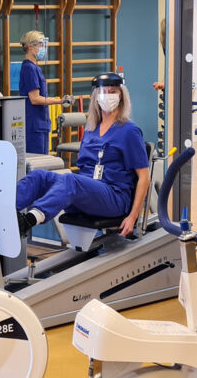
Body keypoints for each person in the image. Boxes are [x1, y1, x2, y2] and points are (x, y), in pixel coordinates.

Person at [15, 72, 150, 238]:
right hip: (86, 193)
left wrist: (133, 217)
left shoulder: (130, 131)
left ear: (121, 96)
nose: (106, 96)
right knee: (39, 176)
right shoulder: (91, 129)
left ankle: (28, 220)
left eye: (112, 92)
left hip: (113, 197)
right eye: (102, 92)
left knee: (70, 180)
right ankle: (3, 212)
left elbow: (144, 177)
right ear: (95, 97)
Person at [17, 30, 69, 154]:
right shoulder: (29, 68)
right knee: (38, 163)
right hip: (34, 125)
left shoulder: (35, 68)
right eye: (40, 44)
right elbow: (35, 99)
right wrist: (59, 101)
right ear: (31, 47)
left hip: (40, 124)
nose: (43, 48)